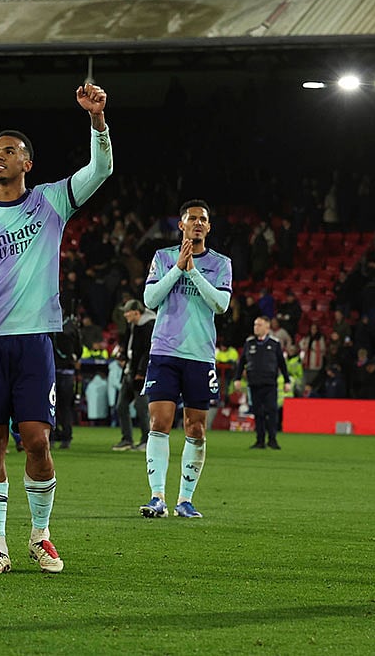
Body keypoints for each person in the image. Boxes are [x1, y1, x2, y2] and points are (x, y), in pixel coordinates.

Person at [0, 82, 112, 573]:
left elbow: (102, 169)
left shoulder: (52, 201)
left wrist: (97, 122)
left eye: (9, 151)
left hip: (34, 340)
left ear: (26, 164)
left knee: (36, 439)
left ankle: (40, 535)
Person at [139, 199, 232, 520]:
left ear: (208, 227)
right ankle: (157, 497)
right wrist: (179, 267)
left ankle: (185, 500)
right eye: (191, 218)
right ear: (181, 225)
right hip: (164, 351)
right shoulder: (163, 258)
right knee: (159, 422)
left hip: (199, 355)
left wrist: (192, 272)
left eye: (202, 219)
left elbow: (221, 304)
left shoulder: (221, 263)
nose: (197, 223)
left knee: (196, 428)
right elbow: (150, 299)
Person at [234, 316, 291, 450]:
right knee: (258, 412)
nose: (256, 327)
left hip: (270, 384)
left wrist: (287, 381)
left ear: (267, 327)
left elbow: (282, 364)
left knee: (271, 411)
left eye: (259, 325)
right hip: (254, 383)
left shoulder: (274, 343)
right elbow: (242, 362)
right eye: (255, 325)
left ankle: (272, 439)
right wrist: (237, 378)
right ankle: (259, 440)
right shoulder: (249, 343)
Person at [112, 299, 154, 451]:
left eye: (127, 312)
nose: (125, 314)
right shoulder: (133, 325)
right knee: (121, 406)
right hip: (130, 371)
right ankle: (127, 439)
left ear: (137, 312)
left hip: (140, 374)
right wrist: (123, 356)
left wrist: (142, 372)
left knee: (141, 407)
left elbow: (147, 351)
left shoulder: (148, 326)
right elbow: (129, 346)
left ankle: (146, 440)